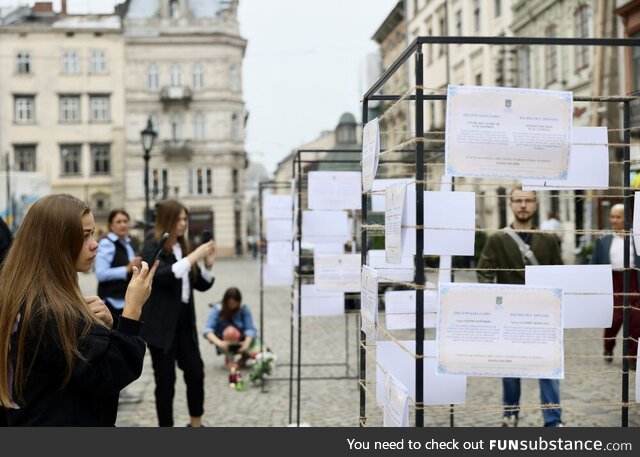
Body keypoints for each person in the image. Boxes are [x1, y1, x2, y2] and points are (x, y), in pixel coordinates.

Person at [0, 194, 156, 426]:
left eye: (93, 233)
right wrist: (132, 309)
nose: (95, 243)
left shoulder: (26, 293)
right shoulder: (48, 310)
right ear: (56, 241)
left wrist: (107, 325)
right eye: (84, 236)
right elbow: (108, 374)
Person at [476, 187, 564, 427]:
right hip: (509, 316)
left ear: (536, 205)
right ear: (511, 205)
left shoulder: (548, 239)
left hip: (542, 315)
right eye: (518, 201)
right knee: (511, 370)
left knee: (548, 369)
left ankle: (553, 419)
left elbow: (560, 271)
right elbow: (484, 271)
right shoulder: (497, 239)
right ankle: (510, 412)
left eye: (528, 201)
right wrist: (496, 298)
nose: (523, 205)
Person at [141, 199, 216, 427]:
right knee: (166, 382)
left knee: (196, 373)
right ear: (168, 220)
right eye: (180, 219)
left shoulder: (182, 247)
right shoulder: (151, 246)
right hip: (161, 326)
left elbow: (200, 284)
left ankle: (196, 424)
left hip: (184, 323)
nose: (184, 223)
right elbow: (162, 275)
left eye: (186, 219)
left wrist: (208, 265)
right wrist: (194, 257)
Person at [590, 203, 639, 371]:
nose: (614, 220)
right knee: (614, 318)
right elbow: (595, 261)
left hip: (632, 280)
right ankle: (608, 346)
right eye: (612, 217)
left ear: (627, 218)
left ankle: (633, 357)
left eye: (618, 217)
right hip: (612, 280)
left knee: (636, 319)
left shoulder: (636, 236)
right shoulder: (604, 238)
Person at [95, 209, 142, 318]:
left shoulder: (127, 243)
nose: (123, 225)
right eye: (119, 222)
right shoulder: (107, 243)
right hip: (112, 303)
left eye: (125, 221)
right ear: (111, 225)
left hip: (127, 301)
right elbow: (101, 274)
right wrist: (126, 269)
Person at [203, 287, 260, 368]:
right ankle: (229, 358)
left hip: (242, 340)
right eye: (230, 303)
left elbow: (250, 329)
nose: (232, 306)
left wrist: (246, 343)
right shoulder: (218, 309)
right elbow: (207, 330)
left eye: (235, 303)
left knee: (259, 351)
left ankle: (244, 358)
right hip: (225, 341)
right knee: (230, 332)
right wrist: (219, 342)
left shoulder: (243, 309)